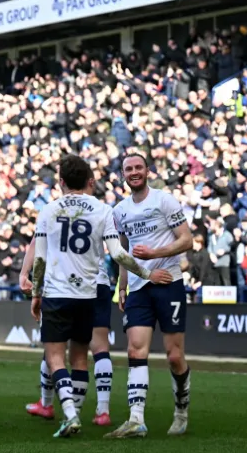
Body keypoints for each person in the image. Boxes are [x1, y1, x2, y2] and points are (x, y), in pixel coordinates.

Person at [29, 154, 171, 438]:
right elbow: (118, 254)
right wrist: (146, 274)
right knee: (81, 356)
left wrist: (36, 292)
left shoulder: (48, 210)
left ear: (61, 182)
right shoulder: (103, 209)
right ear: (88, 180)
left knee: (56, 356)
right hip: (89, 293)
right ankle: (81, 413)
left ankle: (69, 412)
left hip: (58, 292)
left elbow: (40, 259)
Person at [106, 153, 194, 440]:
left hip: (168, 283)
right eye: (128, 168)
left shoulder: (164, 200)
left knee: (174, 356)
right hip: (138, 288)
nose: (134, 172)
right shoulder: (119, 210)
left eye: (138, 167)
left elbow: (187, 240)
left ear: (147, 171)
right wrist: (121, 286)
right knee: (135, 350)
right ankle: (136, 419)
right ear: (123, 175)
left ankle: (181, 409)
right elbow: (122, 252)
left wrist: (154, 254)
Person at [21, 228, 116, 426]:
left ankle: (49, 405)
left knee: (54, 349)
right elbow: (117, 250)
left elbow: (36, 244)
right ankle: (103, 411)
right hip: (98, 282)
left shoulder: (55, 210)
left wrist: (25, 274)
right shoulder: (100, 210)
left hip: (63, 285)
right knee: (99, 350)